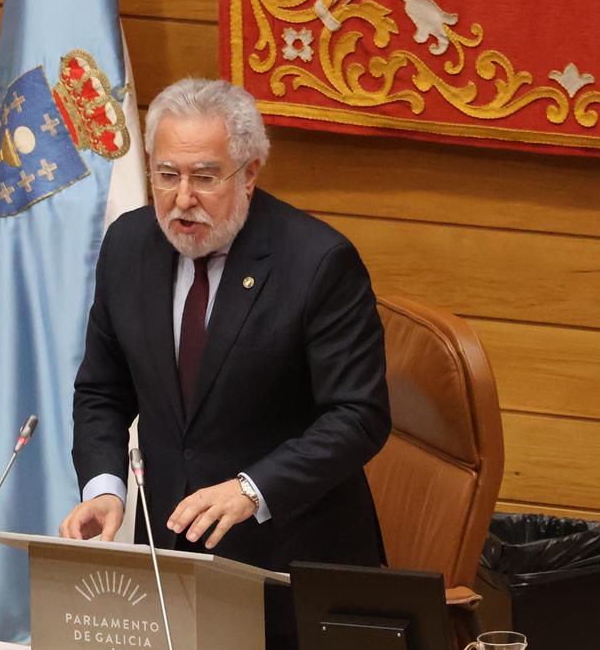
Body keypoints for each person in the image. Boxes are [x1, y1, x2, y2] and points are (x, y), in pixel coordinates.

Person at [61, 78, 390, 578]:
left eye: (205, 177)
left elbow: (358, 416)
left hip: (291, 561)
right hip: (171, 550)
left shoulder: (318, 262)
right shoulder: (128, 246)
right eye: (167, 175)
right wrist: (105, 487)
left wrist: (250, 488)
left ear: (249, 174)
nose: (182, 198)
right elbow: (103, 391)